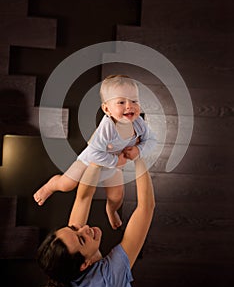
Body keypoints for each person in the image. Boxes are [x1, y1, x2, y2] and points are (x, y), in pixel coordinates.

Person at [34, 75, 157, 229]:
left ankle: (111, 210)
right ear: (107, 109)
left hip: (113, 167)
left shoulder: (139, 123)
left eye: (134, 101)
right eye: (121, 102)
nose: (129, 106)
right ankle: (50, 186)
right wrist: (115, 161)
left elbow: (152, 140)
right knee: (67, 184)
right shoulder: (107, 128)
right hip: (88, 163)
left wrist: (139, 149)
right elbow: (93, 154)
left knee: (117, 197)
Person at [37, 157, 155, 287]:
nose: (84, 228)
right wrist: (138, 157)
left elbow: (83, 197)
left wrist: (96, 159)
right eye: (81, 239)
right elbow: (146, 207)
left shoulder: (66, 263)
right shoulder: (108, 280)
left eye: (73, 228)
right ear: (84, 265)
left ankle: (110, 210)